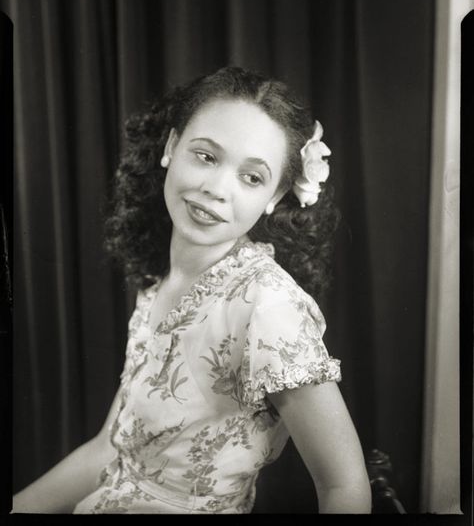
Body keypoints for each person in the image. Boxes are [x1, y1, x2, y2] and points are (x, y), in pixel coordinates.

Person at [12, 66, 372, 514]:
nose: (216, 189)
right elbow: (109, 450)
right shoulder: (161, 281)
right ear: (170, 147)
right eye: (205, 156)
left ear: (276, 197)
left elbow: (344, 487)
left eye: (252, 177)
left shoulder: (267, 306)